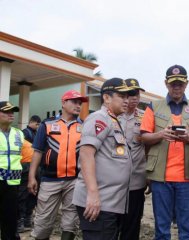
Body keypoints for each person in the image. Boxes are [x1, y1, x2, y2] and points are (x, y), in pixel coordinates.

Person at [141, 65, 189, 240]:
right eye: (173, 84)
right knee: (161, 227)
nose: (176, 87)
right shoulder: (153, 106)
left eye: (180, 84)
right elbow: (144, 136)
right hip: (161, 176)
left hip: (188, 177)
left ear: (186, 84)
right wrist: (161, 134)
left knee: (187, 228)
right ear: (166, 84)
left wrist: (188, 138)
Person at [72, 78, 132, 240]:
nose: (127, 100)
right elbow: (86, 153)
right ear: (106, 98)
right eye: (122, 96)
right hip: (99, 202)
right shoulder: (99, 118)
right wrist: (92, 194)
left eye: (128, 96)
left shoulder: (113, 120)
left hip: (109, 203)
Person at [28, 90, 88, 240]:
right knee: (43, 221)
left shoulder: (84, 126)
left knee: (71, 221)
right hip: (50, 180)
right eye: (74, 102)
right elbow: (37, 151)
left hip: (74, 181)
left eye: (80, 103)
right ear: (63, 102)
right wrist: (31, 177)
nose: (78, 106)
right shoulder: (47, 124)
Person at [118, 78, 146, 240]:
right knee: (113, 222)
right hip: (114, 182)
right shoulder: (112, 116)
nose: (135, 97)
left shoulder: (145, 118)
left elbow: (149, 148)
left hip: (136, 180)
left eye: (137, 93)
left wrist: (149, 174)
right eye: (130, 93)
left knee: (133, 222)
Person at [0, 101, 24, 240]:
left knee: (10, 222)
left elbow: (26, 156)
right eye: (7, 112)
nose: (11, 114)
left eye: (12, 112)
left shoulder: (19, 134)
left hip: (13, 184)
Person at [17, 115, 42, 233]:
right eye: (37, 124)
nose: (38, 126)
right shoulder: (23, 133)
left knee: (33, 193)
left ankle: (26, 219)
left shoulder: (35, 133)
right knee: (23, 195)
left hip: (35, 166)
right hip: (25, 166)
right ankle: (21, 220)